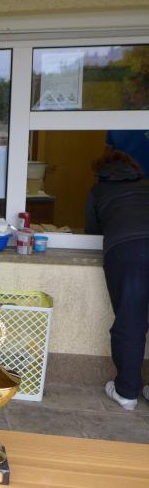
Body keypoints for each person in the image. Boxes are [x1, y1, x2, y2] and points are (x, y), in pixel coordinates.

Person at [85, 150, 149, 410]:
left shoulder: (99, 190)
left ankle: (126, 392)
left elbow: (92, 230)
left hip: (127, 250)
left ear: (100, 171)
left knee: (130, 320)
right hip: (132, 245)